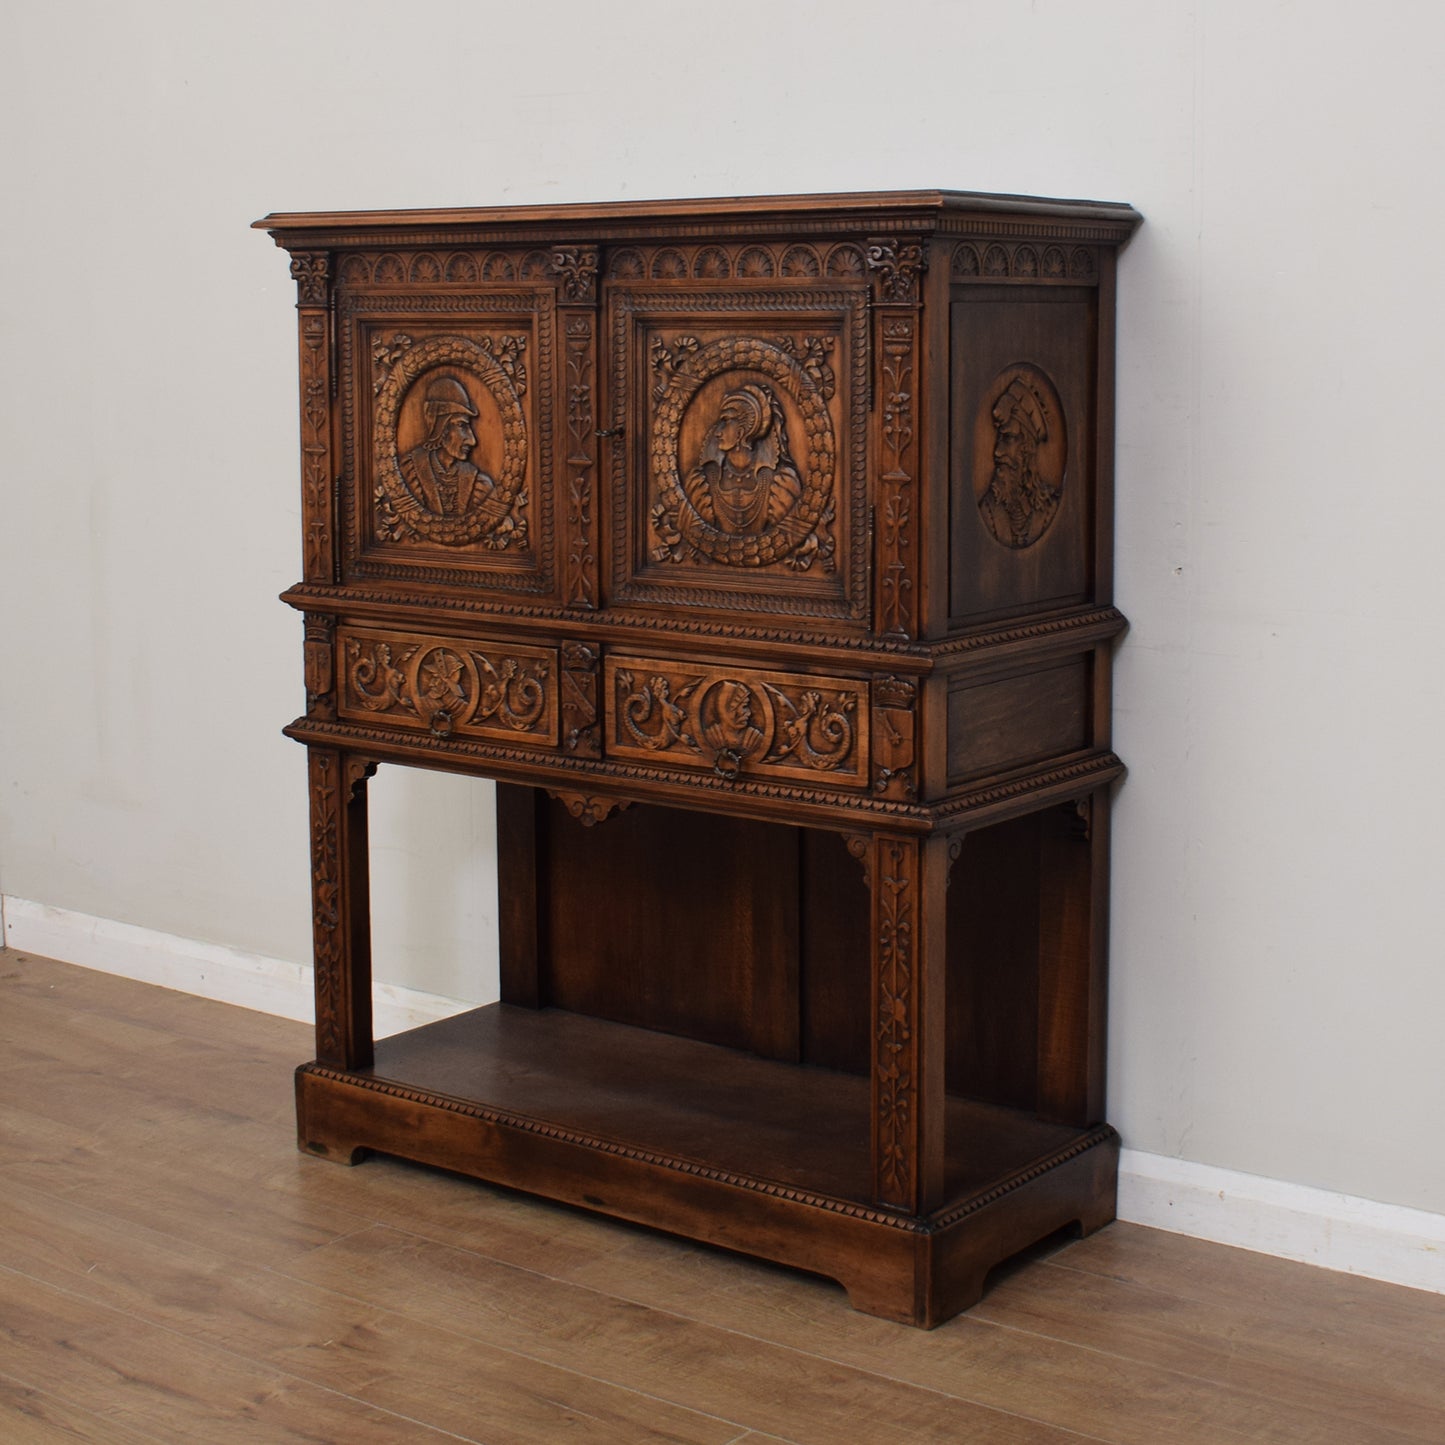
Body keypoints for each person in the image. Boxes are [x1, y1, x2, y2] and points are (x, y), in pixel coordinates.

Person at [684, 383, 803, 537]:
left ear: (742, 431)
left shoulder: (779, 482)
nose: (717, 432)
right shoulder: (703, 481)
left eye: (725, 421)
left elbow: (792, 534)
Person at [977, 375, 1061, 549]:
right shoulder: (988, 511)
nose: (997, 451)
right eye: (999, 439)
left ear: (1028, 448)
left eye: (1008, 438)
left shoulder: (1050, 510)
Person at [400, 375, 500, 519]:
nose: (472, 441)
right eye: (461, 426)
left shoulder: (480, 486)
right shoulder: (409, 473)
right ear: (440, 426)